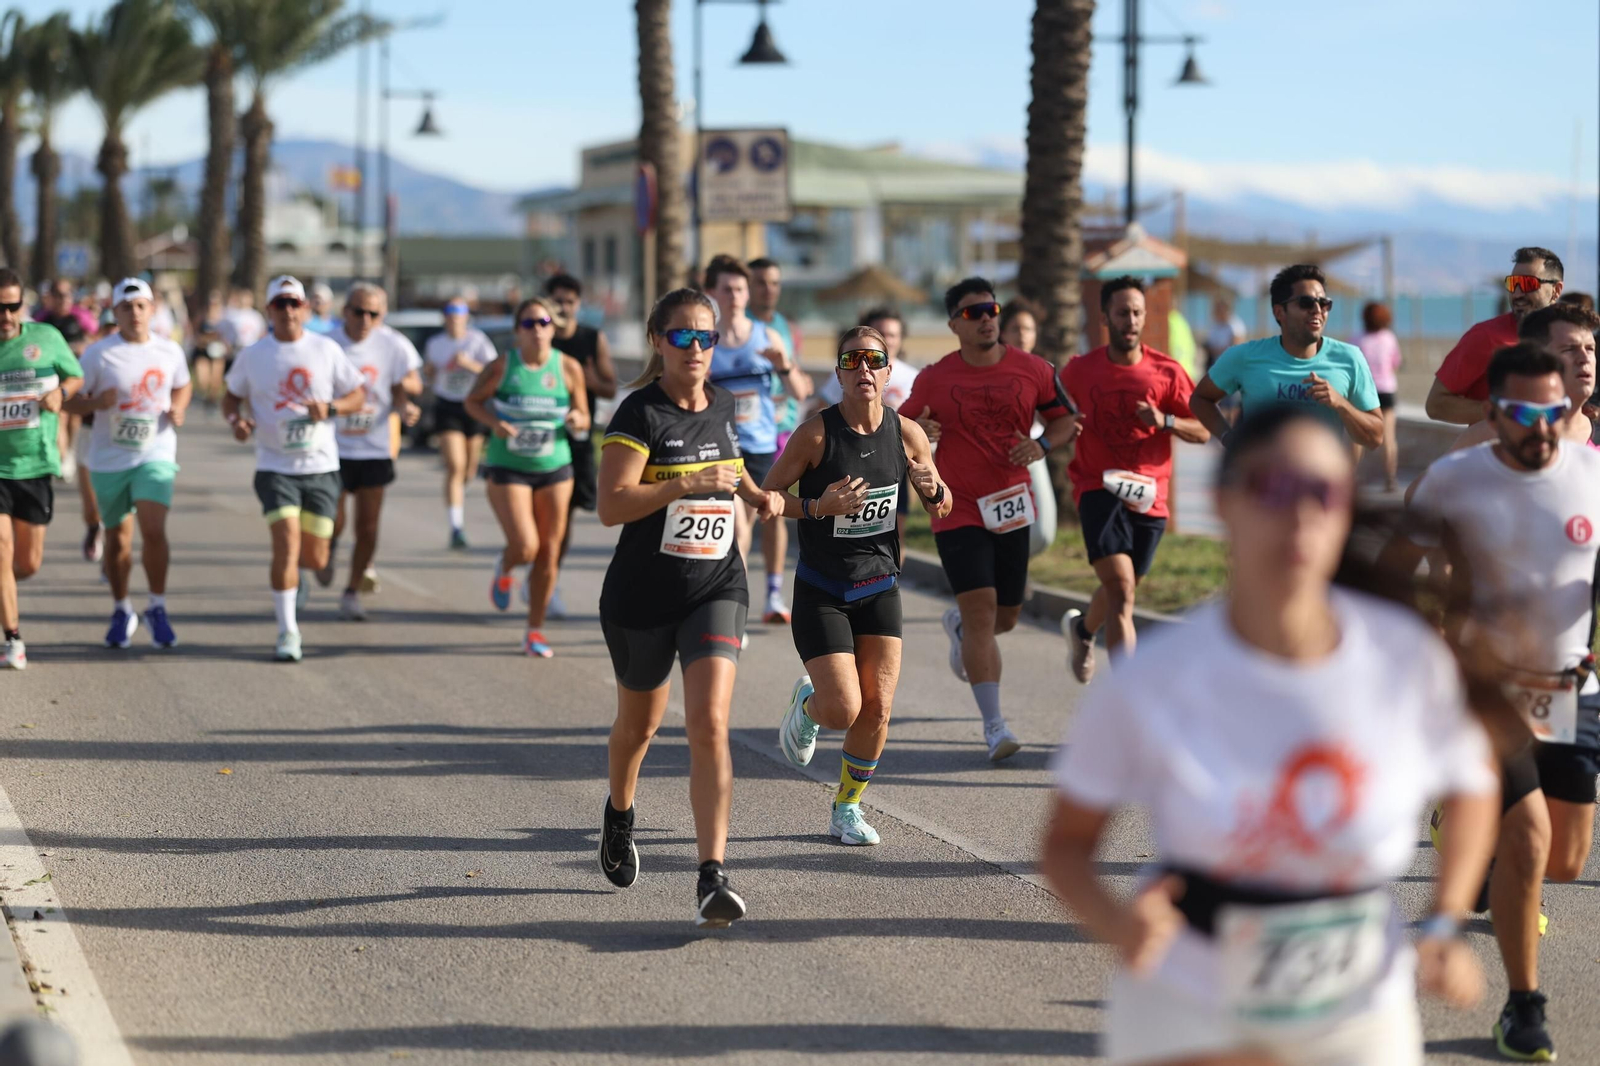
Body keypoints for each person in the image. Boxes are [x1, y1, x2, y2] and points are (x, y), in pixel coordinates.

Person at [1041, 405, 1500, 1066]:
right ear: (1223, 503)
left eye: (1324, 493)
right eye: (1274, 489)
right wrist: (1120, 926)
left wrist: (1445, 919)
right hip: (1189, 996)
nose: (1301, 514)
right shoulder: (1158, 676)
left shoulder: (1404, 657)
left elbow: (1472, 783)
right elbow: (1065, 847)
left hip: (1358, 1006)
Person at [1385, 343, 1600, 1061]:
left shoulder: (1594, 476)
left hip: (1571, 690)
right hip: (1483, 692)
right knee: (1531, 838)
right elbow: (1389, 575)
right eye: (1522, 412)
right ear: (1493, 412)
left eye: (1554, 410)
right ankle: (1523, 1008)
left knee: (1563, 863)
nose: (1541, 426)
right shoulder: (1453, 480)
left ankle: (1469, 828)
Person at [594, 287, 784, 927]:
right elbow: (611, 506)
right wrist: (686, 483)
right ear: (657, 340)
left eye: (706, 337)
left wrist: (760, 496)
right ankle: (620, 812)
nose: (697, 348)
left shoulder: (723, 402)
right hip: (641, 596)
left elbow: (730, 466)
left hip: (715, 586)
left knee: (708, 723)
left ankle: (712, 875)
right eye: (683, 337)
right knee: (638, 730)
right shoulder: (638, 415)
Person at [766, 326, 951, 846]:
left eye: (875, 361)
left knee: (879, 707)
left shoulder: (907, 433)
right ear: (840, 374)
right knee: (843, 708)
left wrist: (933, 488)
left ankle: (846, 807)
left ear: (889, 373)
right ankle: (808, 708)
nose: (864, 370)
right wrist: (819, 507)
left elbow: (944, 501)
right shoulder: (816, 435)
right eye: (853, 361)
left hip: (881, 585)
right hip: (823, 588)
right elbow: (767, 499)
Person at [904, 276, 1079, 760]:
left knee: (1005, 616)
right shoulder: (935, 378)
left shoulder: (1034, 369)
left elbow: (1067, 420)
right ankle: (995, 726)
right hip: (956, 506)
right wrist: (920, 429)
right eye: (972, 313)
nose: (985, 319)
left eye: (990, 309)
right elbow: (895, 429)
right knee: (982, 610)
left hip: (1011, 504)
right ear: (954, 324)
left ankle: (960, 629)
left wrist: (1042, 444)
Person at [1058, 276, 1208, 680]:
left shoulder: (1168, 372)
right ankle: (1128, 698)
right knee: (1122, 589)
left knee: (1123, 586)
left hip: (1150, 496)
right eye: (1122, 312)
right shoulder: (1080, 371)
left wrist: (1166, 420)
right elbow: (1048, 412)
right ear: (1106, 316)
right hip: (1097, 486)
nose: (1131, 320)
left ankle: (1082, 629)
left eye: (1137, 312)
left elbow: (1204, 429)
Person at [222, 276, 366, 663]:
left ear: (305, 308)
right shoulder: (253, 355)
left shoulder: (326, 349)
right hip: (274, 466)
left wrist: (333, 409)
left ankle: (304, 573)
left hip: (321, 467)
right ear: (269, 310)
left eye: (294, 303)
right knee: (285, 545)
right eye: (280, 303)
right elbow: (231, 396)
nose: (287, 310)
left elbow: (358, 394)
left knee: (314, 559)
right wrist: (237, 421)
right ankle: (288, 631)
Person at [64, 278, 191, 649]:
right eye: (126, 307)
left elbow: (182, 385)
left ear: (152, 310)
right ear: (115, 312)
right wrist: (95, 405)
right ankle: (122, 608)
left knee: (154, 528)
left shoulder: (170, 351)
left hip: (156, 453)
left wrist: (179, 407)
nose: (134, 314)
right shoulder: (98, 354)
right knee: (119, 541)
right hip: (109, 459)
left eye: (141, 306)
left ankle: (157, 606)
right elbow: (67, 401)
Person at [465, 295, 588, 658]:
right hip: (508, 467)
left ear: (554, 329)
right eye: (528, 324)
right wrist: (494, 423)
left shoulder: (567, 367)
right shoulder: (503, 366)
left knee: (549, 552)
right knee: (526, 546)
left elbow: (581, 410)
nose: (536, 330)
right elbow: (472, 402)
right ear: (517, 330)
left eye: (543, 323)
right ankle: (506, 564)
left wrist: (578, 420)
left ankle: (534, 631)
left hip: (556, 466)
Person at [704, 254, 810, 627]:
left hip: (764, 444)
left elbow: (799, 390)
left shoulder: (768, 335)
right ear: (711, 293)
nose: (734, 296)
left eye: (739, 289)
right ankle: (737, 608)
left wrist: (782, 363)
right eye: (727, 289)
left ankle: (774, 592)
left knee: (772, 518)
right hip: (724, 448)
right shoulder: (707, 343)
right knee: (737, 526)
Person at [1191, 264, 1383, 449]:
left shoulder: (1349, 358)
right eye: (1306, 302)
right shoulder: (1244, 356)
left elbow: (1375, 437)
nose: (1317, 310)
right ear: (1279, 312)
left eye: (1324, 303)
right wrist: (1229, 439)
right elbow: (1200, 398)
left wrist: (1341, 404)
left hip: (1323, 480)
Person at [0, 270, 83, 669]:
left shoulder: (46, 338)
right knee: (1, 551)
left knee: (26, 564)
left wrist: (60, 393)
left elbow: (76, 376)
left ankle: (6, 591)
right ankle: (12, 638)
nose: (6, 315)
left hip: (34, 465)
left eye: (13, 306)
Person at [324, 283, 422, 620]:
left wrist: (405, 402)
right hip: (331, 447)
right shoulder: (328, 344)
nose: (365, 319)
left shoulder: (393, 344)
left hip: (374, 446)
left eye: (373, 313)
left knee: (367, 526)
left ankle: (352, 590)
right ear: (345, 312)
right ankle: (328, 546)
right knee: (332, 521)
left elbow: (411, 383)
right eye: (358, 311)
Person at [544, 272, 618, 618]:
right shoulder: (538, 336)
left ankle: (550, 584)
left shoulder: (592, 338)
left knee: (563, 519)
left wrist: (589, 380)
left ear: (578, 304)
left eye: (570, 301)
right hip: (537, 437)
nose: (564, 307)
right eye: (557, 301)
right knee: (537, 522)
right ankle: (527, 562)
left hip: (576, 437)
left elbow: (609, 387)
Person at [1438, 303, 1599, 457]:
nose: (1585, 358)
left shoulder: (1595, 441)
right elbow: (1428, 485)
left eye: (1590, 348)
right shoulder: (1491, 439)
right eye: (1569, 349)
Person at [1427, 248, 1564, 425]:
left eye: (1528, 284)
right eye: (1513, 283)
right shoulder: (1485, 336)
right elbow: (1436, 404)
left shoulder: (1572, 339)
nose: (1517, 293)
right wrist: (1505, 414)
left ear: (1556, 290)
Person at [423, 296, 498, 549]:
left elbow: (493, 372)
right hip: (447, 406)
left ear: (466, 318)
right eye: (450, 315)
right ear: (445, 318)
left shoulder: (477, 341)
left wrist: (469, 364)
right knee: (455, 466)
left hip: (473, 406)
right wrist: (431, 371)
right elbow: (428, 374)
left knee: (468, 469)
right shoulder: (436, 343)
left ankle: (457, 498)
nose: (455, 320)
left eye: (459, 315)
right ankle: (456, 527)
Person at [1353, 301, 1403, 491]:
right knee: (1388, 438)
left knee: (1357, 437)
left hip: (1363, 391)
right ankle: (1390, 478)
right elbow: (1395, 363)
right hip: (1386, 390)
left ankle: (1353, 476)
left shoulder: (1357, 339)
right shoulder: (1389, 338)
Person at [1201, 293, 1246, 371]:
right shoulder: (1215, 325)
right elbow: (1209, 344)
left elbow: (1237, 345)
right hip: (1215, 364)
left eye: (1219, 309)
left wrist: (1216, 350)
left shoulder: (1235, 324)